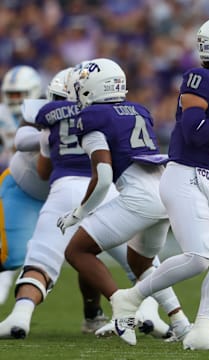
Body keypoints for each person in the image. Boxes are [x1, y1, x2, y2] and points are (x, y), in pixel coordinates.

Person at [69, 16, 209, 352]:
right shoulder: (199, 79)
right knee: (199, 257)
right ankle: (129, 299)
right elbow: (194, 132)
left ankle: (201, 331)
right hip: (184, 175)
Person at [0, 67, 170, 339]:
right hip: (70, 191)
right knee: (137, 259)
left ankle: (20, 316)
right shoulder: (105, 116)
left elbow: (39, 162)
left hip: (62, 189)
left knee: (42, 260)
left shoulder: (55, 118)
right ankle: (161, 315)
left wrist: (48, 136)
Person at [57, 57, 190, 346]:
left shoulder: (93, 119)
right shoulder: (138, 110)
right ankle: (180, 323)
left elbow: (103, 176)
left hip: (140, 196)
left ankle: (121, 308)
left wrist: (79, 213)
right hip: (165, 192)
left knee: (77, 251)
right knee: (141, 263)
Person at [0, 65, 45, 305]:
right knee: (11, 245)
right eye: (12, 94)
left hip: (43, 183)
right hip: (14, 182)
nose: (15, 99)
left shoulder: (43, 112)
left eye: (20, 93)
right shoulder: (2, 115)